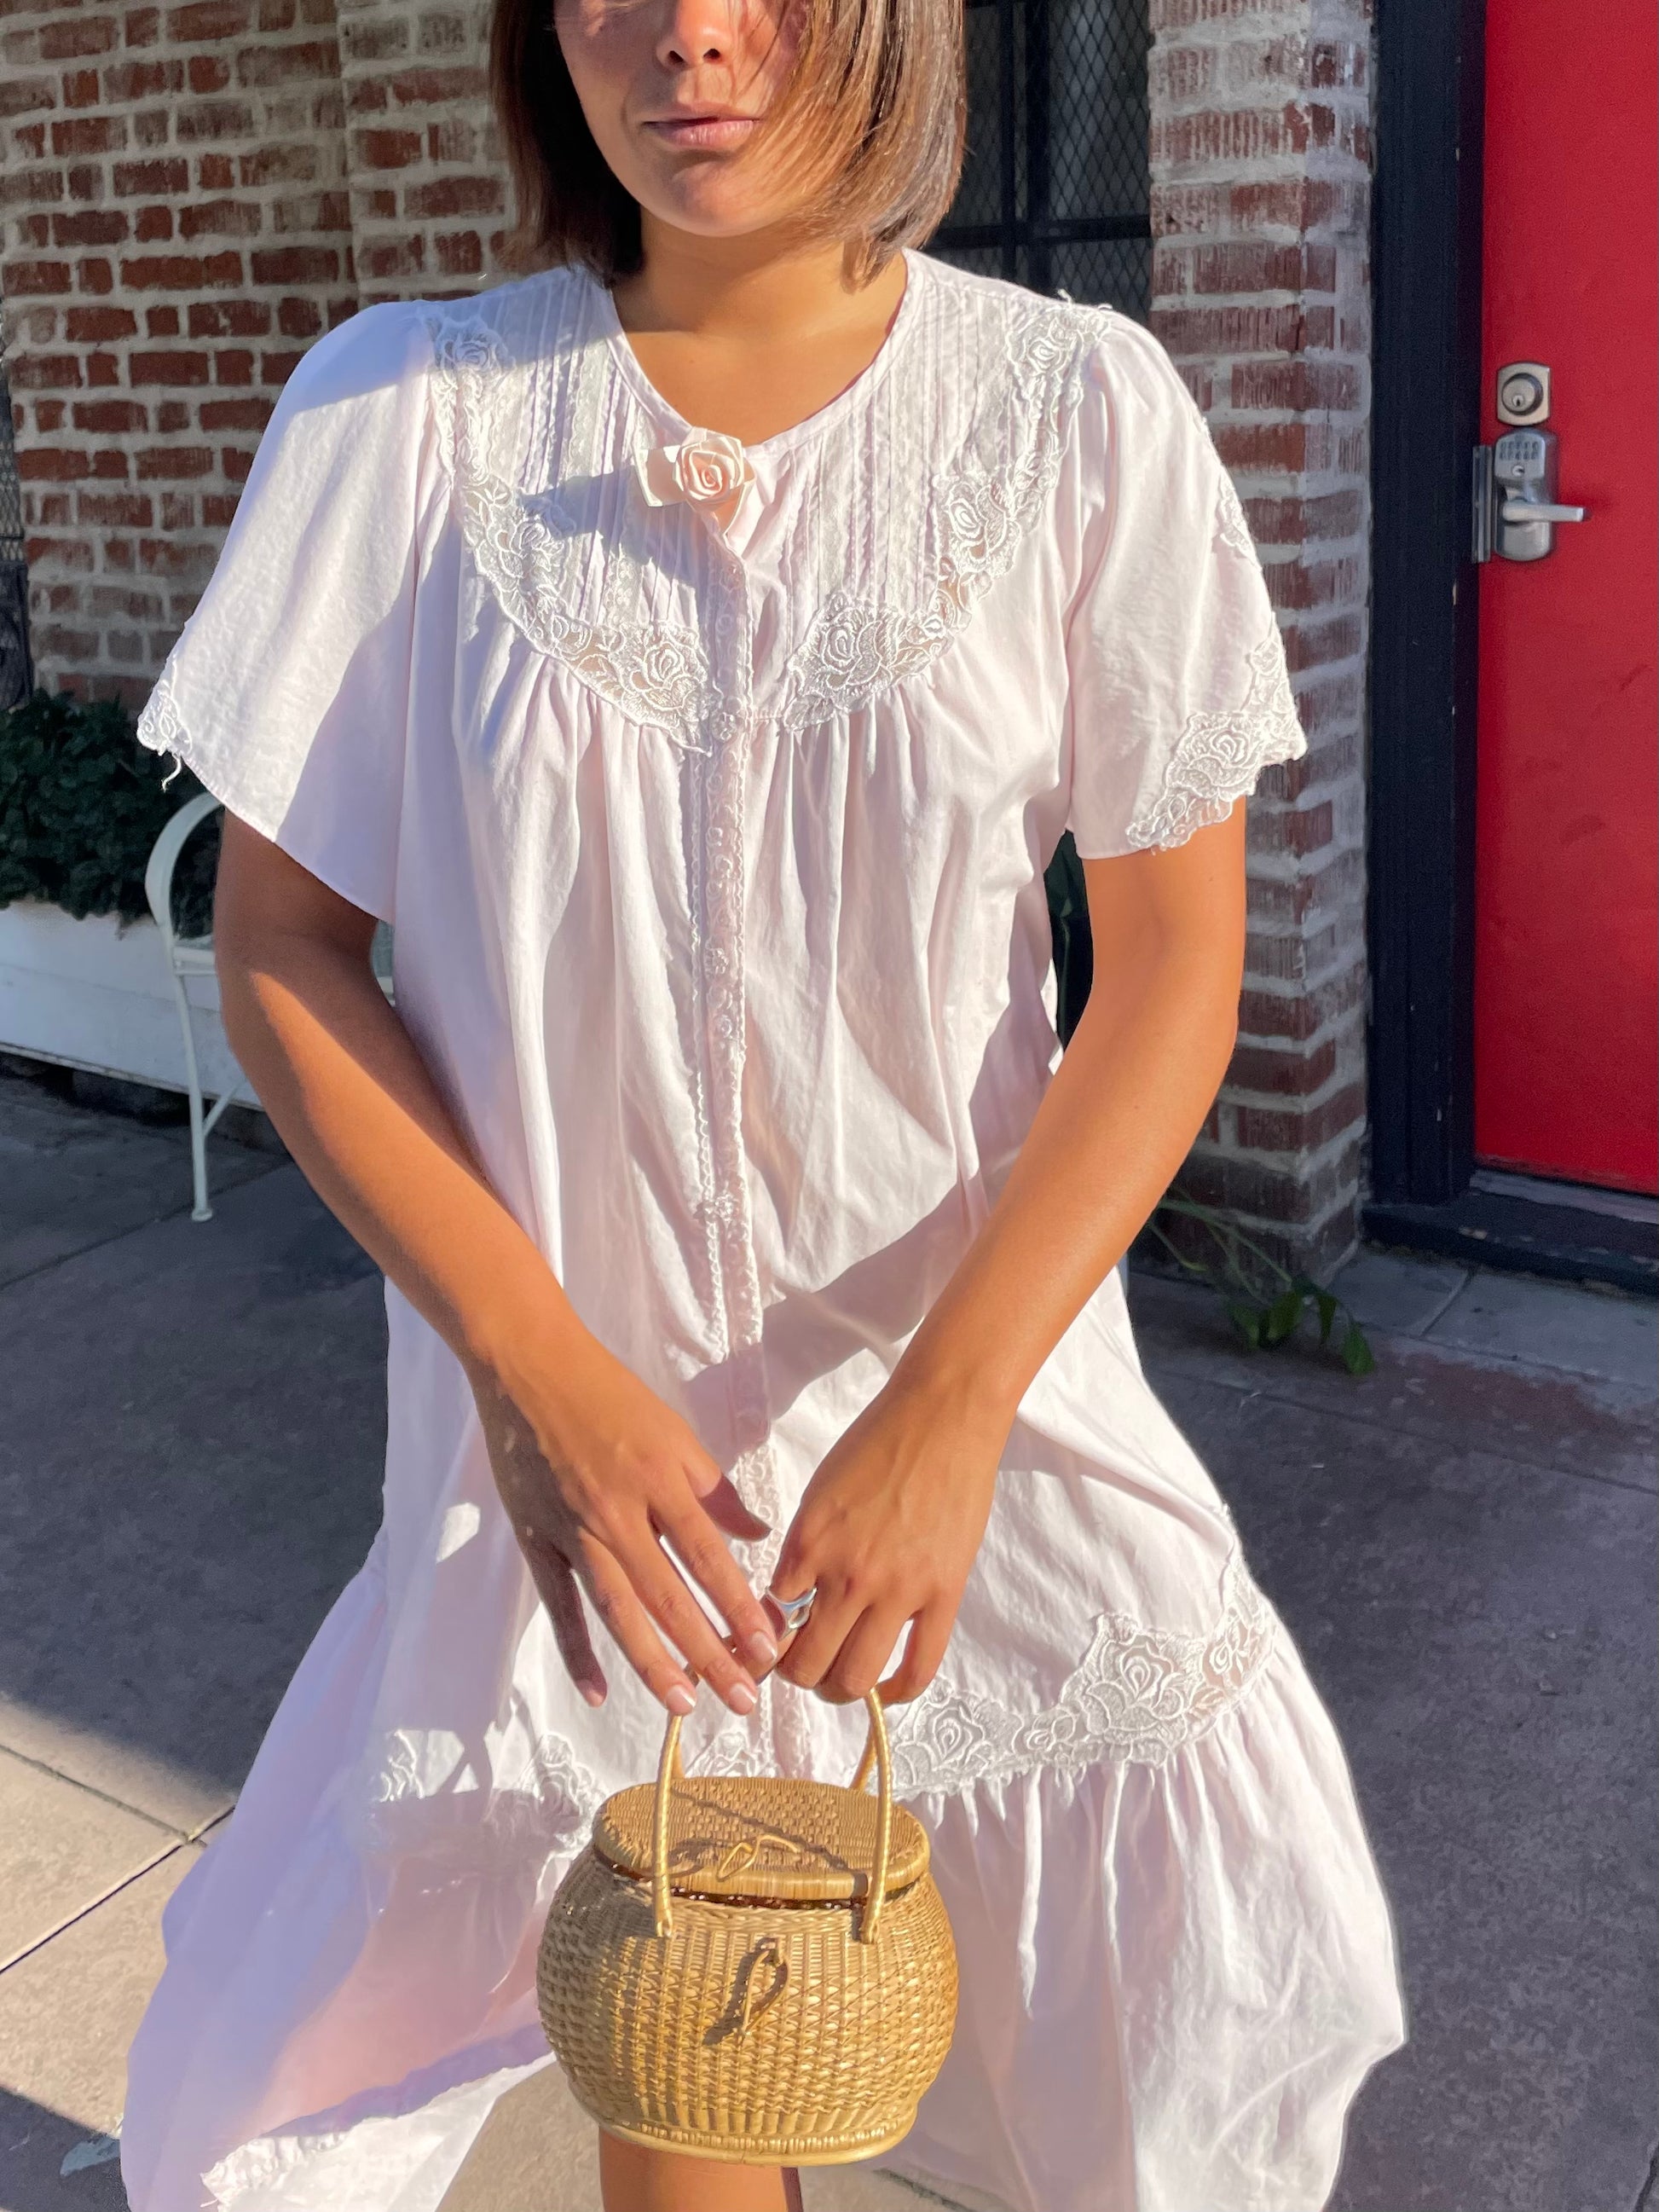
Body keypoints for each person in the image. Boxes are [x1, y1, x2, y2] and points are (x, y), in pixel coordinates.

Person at [119, 0, 1406, 2201]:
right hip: (581, 1495)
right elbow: (284, 949)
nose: (692, 35)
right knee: (690, 2037)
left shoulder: (1075, 414)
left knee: (1166, 2074)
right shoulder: (402, 421)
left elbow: (1176, 968)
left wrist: (950, 1411)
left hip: (976, 1440)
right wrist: (530, 1374)